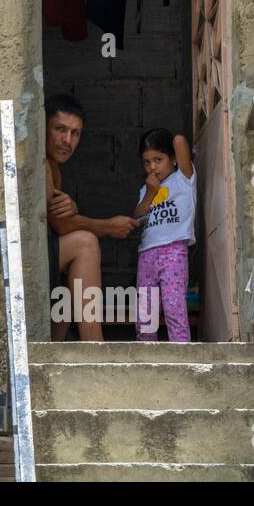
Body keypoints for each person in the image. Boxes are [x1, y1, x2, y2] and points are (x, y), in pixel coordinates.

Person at [44, 94, 141, 341]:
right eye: (60, 129)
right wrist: (107, 226)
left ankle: (59, 343)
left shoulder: (53, 168)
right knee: (85, 243)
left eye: (75, 133)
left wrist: (73, 211)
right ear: (43, 126)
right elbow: (60, 223)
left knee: (71, 278)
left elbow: (60, 222)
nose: (67, 140)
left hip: (46, 265)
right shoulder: (41, 164)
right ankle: (94, 346)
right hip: (22, 260)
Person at [132, 128, 196, 343]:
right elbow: (138, 218)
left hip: (174, 252)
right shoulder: (146, 189)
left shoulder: (184, 179)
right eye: (147, 162)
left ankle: (181, 354)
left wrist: (172, 145)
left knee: (174, 307)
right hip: (147, 254)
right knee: (145, 313)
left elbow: (179, 139)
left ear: (173, 159)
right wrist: (150, 193)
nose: (152, 167)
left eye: (158, 159)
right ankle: (147, 356)